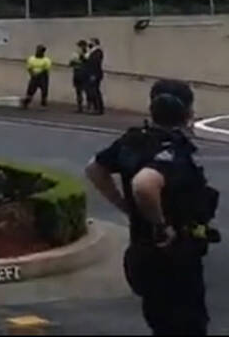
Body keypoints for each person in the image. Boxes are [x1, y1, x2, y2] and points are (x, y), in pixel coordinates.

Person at [85, 80, 218, 335]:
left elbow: (95, 168)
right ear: (188, 112)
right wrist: (161, 226)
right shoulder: (173, 151)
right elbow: (145, 184)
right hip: (174, 255)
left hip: (143, 251)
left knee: (160, 320)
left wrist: (125, 206)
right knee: (186, 324)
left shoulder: (133, 142)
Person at [21, 44, 52, 108]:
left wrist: (38, 74)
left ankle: (43, 102)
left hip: (43, 76)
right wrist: (32, 74)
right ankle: (26, 102)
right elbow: (29, 68)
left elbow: (45, 70)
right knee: (31, 90)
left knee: (44, 90)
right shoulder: (31, 59)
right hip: (34, 76)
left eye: (41, 51)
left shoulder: (46, 60)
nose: (39, 52)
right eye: (38, 50)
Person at [86, 37, 106, 115]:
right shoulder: (91, 52)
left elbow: (95, 64)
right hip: (91, 74)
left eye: (91, 42)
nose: (89, 44)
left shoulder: (97, 52)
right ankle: (95, 108)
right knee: (92, 91)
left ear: (95, 43)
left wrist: (93, 75)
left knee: (95, 91)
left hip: (95, 74)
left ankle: (98, 108)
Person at [69, 40, 89, 113]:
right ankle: (79, 107)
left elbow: (87, 62)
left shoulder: (88, 54)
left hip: (84, 74)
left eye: (81, 46)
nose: (79, 48)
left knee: (87, 90)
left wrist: (81, 59)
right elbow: (71, 63)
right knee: (78, 91)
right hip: (77, 73)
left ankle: (88, 106)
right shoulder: (75, 54)